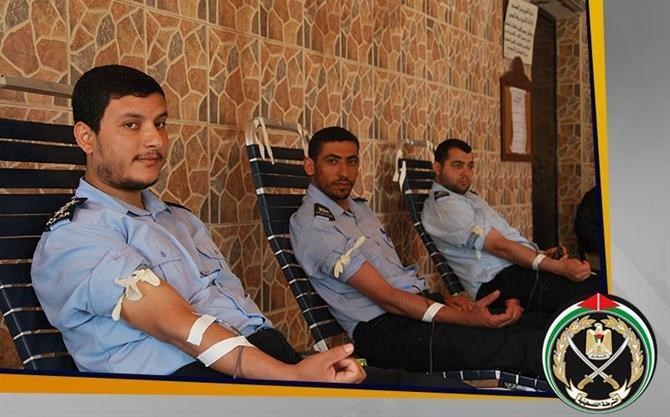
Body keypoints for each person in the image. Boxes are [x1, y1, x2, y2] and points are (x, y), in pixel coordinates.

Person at [30, 65, 364, 384]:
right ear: (86, 138)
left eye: (160, 123)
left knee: (381, 389)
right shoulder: (75, 237)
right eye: (131, 125)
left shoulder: (180, 220)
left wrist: (299, 368)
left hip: (262, 362)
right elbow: (178, 325)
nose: (155, 140)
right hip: (190, 388)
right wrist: (291, 377)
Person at [289, 126, 545, 376]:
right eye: (332, 161)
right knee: (522, 346)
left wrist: (443, 301)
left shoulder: (359, 209)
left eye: (352, 161)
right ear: (310, 166)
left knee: (535, 326)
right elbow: (387, 297)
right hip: (387, 333)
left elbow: (396, 280)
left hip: (413, 315)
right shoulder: (316, 226)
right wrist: (464, 318)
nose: (344, 172)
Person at [421, 138, 601, 314]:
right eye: (457, 165)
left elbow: (505, 241)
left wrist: (541, 254)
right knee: (597, 293)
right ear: (437, 168)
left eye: (470, 166)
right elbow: (500, 247)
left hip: (515, 271)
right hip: (496, 282)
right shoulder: (445, 206)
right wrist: (558, 267)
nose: (466, 173)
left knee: (600, 282)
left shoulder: (468, 198)